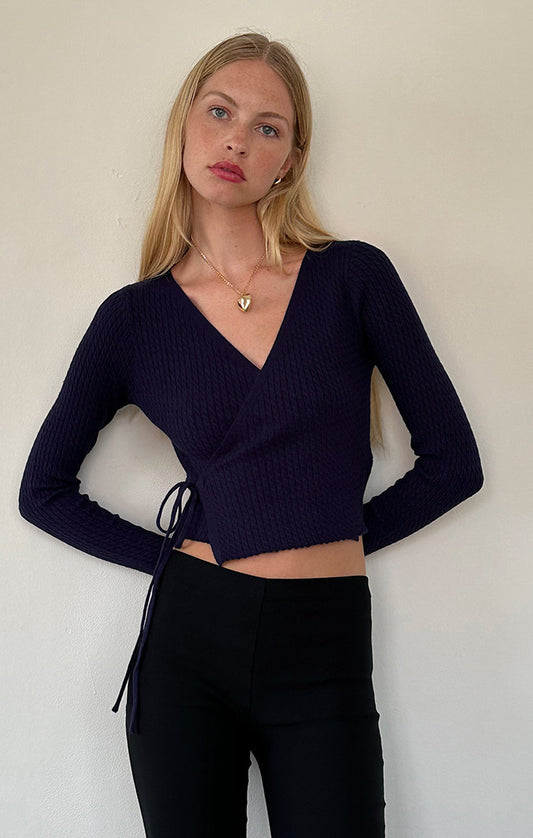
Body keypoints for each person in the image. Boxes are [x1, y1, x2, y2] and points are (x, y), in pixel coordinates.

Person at [18, 31, 484, 838]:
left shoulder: (353, 277)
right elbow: (42, 492)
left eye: (267, 127)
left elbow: (454, 465)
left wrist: (330, 536)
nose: (236, 139)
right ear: (184, 126)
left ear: (289, 163)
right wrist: (175, 563)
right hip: (188, 648)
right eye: (219, 112)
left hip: (324, 643)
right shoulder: (132, 321)